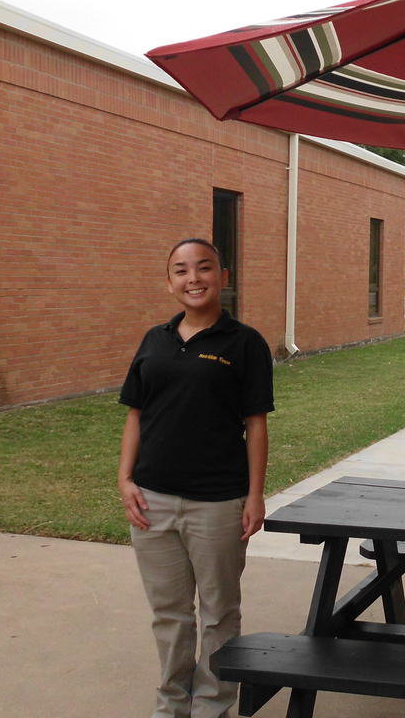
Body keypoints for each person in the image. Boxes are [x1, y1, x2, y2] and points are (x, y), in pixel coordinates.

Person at [117, 238, 274, 718]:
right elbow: (135, 414)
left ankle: (211, 706)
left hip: (218, 503)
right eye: (181, 271)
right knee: (170, 616)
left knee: (219, 614)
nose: (193, 279)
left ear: (223, 277)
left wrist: (254, 496)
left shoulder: (244, 343)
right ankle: (171, 706)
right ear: (170, 282)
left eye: (204, 268)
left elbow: (256, 424)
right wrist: (125, 479)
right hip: (152, 501)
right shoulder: (154, 340)